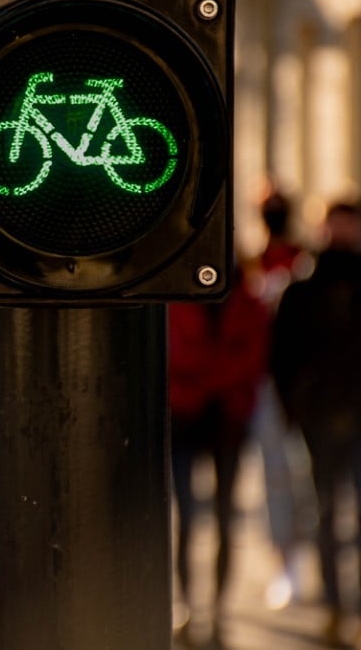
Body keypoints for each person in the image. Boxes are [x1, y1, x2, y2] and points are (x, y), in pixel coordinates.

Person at [272, 200, 361, 646]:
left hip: (349, 412)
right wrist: (296, 407)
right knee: (325, 511)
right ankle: (334, 606)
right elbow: (283, 353)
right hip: (321, 416)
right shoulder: (304, 287)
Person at [169, 265, 270, 648]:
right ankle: (189, 604)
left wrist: (207, 374)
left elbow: (252, 359)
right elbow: (176, 356)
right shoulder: (176, 296)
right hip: (186, 420)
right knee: (187, 520)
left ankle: (218, 607)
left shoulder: (248, 301)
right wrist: (217, 372)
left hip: (227, 422)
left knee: (226, 519)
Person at [249, 186, 314, 610]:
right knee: (275, 477)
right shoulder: (250, 263)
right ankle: (285, 563)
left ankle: (310, 561)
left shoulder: (305, 263)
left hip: (305, 384)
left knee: (308, 476)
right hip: (266, 384)